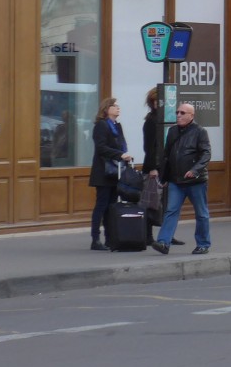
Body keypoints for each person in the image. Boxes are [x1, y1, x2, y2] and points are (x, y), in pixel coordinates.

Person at [152, 102, 211, 255]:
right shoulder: (172, 131)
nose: (178, 115)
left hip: (195, 181)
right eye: (177, 112)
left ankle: (203, 244)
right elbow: (166, 156)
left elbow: (206, 154)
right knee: (171, 211)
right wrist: (164, 177)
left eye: (182, 113)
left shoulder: (200, 132)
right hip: (176, 181)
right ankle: (164, 242)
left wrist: (195, 170)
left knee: (201, 213)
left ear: (191, 116)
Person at [88, 97, 133, 251]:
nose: (118, 108)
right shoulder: (101, 125)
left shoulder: (116, 126)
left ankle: (109, 238)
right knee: (101, 206)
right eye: (114, 106)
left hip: (115, 172)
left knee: (111, 206)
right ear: (106, 109)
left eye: (118, 106)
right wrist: (119, 155)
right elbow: (101, 148)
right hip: (103, 172)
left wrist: (124, 155)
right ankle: (95, 239)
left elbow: (121, 146)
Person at [141, 88, 183, 247]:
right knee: (151, 202)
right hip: (155, 167)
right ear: (155, 103)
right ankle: (147, 236)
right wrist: (153, 167)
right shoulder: (151, 121)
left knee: (167, 203)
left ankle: (167, 235)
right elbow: (149, 147)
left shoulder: (167, 120)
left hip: (167, 167)